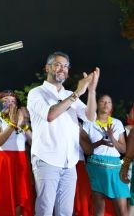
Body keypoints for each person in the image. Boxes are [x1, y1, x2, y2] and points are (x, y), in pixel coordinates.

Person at [27, 51, 99, 216]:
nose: (62, 69)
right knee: (45, 210)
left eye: (66, 66)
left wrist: (92, 91)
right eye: (58, 64)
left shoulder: (68, 95)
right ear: (47, 67)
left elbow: (90, 117)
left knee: (66, 212)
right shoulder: (36, 93)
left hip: (70, 162)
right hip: (47, 159)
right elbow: (50, 115)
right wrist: (77, 93)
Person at [0, 90, 34, 216]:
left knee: (21, 200)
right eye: (6, 101)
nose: (10, 104)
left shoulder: (20, 120)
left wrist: (24, 125)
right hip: (4, 163)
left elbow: (33, 142)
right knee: (4, 199)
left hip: (21, 162)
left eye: (13, 102)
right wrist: (12, 124)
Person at [84, 94, 129, 216]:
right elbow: (86, 149)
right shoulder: (88, 123)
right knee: (98, 209)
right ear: (97, 104)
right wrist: (100, 142)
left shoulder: (117, 123)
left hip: (115, 168)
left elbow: (123, 149)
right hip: (95, 167)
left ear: (111, 106)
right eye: (102, 101)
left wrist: (112, 138)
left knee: (122, 210)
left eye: (108, 102)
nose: (105, 104)